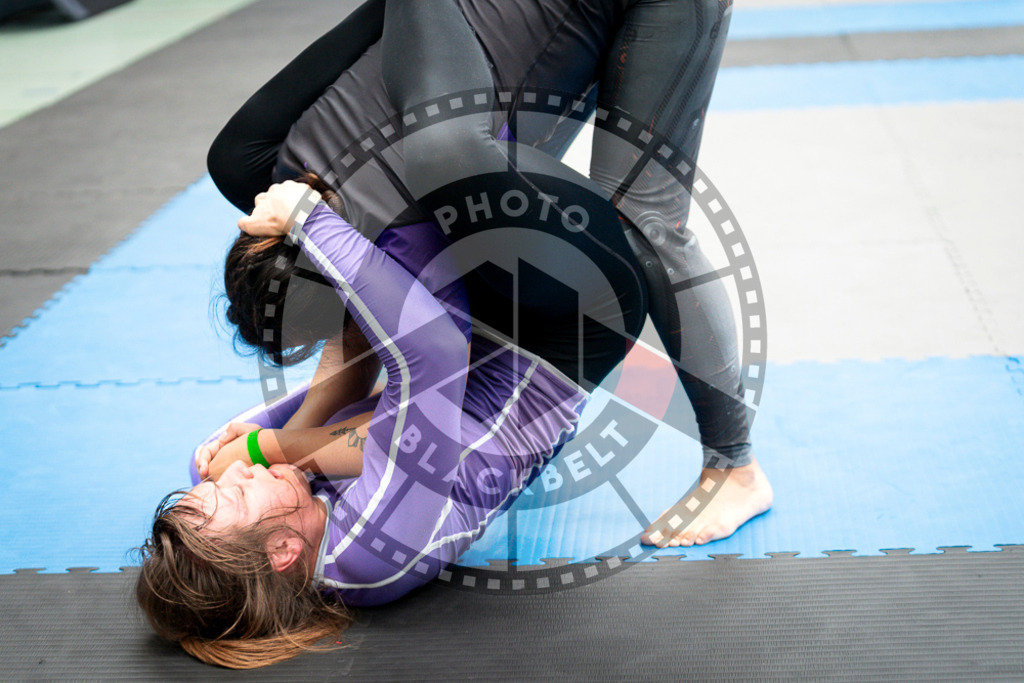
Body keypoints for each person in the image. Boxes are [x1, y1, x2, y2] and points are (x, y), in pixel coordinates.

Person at [207, 0, 771, 551]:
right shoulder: (256, 166)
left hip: (542, 58)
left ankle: (736, 468)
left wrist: (275, 449)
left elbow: (410, 423)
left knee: (645, 221)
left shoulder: (397, 242)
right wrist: (271, 442)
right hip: (536, 50)